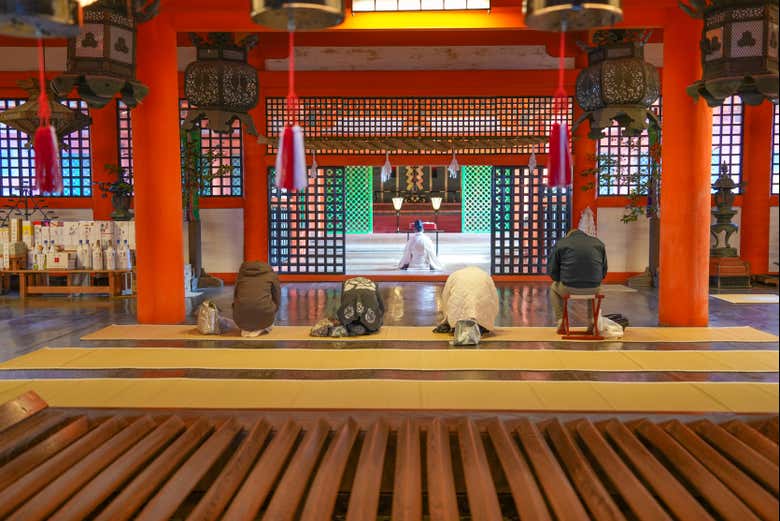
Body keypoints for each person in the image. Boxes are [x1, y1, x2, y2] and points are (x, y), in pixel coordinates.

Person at [547, 229, 608, 333]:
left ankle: (561, 319)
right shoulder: (598, 243)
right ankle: (593, 319)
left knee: (553, 289)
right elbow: (604, 271)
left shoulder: (561, 243)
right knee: (594, 286)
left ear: (568, 236)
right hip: (594, 288)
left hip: (568, 287)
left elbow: (552, 271)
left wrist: (559, 279)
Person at [434, 266, 498, 335]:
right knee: (480, 315)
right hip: (481, 314)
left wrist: (446, 319)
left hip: (457, 314)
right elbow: (494, 298)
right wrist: (490, 319)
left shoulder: (454, 275)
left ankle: (457, 326)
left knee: (456, 311)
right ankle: (479, 326)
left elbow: (445, 296)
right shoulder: (486, 275)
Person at [233, 261, 281, 337]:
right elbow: (277, 295)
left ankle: (247, 328)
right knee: (266, 307)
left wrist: (236, 308)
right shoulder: (271, 275)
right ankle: (262, 327)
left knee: (246, 305)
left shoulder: (241, 275)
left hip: (240, 318)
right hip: (265, 314)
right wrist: (274, 310)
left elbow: (235, 294)